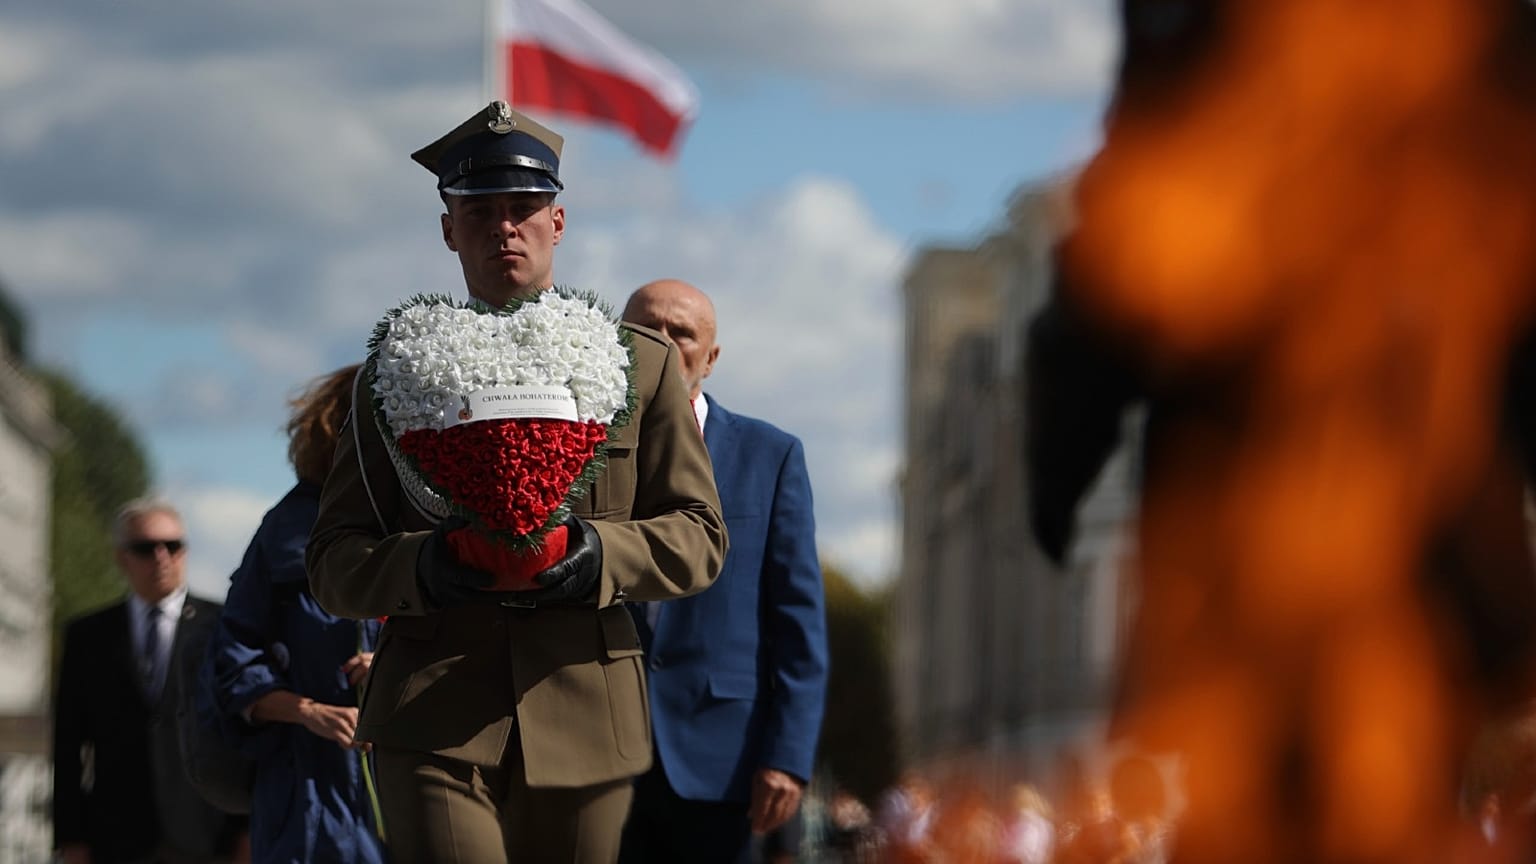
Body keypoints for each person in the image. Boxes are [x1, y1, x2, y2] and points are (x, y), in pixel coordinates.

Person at [306, 101, 728, 863]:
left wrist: (600, 555)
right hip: (429, 713)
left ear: (557, 224)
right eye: (480, 212)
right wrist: (422, 568)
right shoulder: (395, 374)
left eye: (524, 210)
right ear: (447, 230)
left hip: (584, 711)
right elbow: (334, 559)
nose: (504, 227)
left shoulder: (641, 364)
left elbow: (699, 538)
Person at [616, 278, 828, 863]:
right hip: (596, 752)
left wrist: (787, 755)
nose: (660, 343)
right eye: (643, 329)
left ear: (709, 359)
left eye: (680, 333)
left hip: (721, 763)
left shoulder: (770, 456)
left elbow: (798, 623)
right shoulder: (573, 449)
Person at [202, 364, 385, 864]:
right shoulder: (286, 532)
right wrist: (309, 713)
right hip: (308, 796)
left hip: (414, 789)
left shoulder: (436, 519)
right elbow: (233, 668)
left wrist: (399, 662)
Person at [53, 499, 245, 863]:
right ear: (122, 557)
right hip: (116, 837)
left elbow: (244, 732)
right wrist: (70, 837)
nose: (161, 557)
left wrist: (248, 830)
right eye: (145, 548)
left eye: (172, 546)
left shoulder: (223, 627)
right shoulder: (88, 636)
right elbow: (67, 744)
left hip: (208, 834)